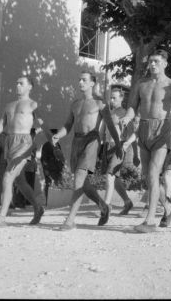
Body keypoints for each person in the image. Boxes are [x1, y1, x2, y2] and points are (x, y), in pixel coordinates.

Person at [124, 50, 171, 233]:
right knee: (149, 176)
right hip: (144, 129)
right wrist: (127, 118)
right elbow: (132, 107)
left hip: (163, 129)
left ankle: (150, 220)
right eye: (150, 61)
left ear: (164, 64)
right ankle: (169, 207)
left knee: (154, 174)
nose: (152, 64)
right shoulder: (141, 84)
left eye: (156, 61)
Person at [52, 71, 122, 231]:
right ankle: (103, 206)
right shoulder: (75, 104)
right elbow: (68, 125)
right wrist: (58, 135)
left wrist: (118, 144)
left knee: (79, 179)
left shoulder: (100, 103)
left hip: (92, 140)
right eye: (79, 79)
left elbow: (110, 124)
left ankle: (70, 220)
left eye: (84, 80)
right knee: (83, 183)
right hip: (77, 141)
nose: (80, 82)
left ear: (92, 83)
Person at [0, 75, 48, 227]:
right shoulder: (9, 105)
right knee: (20, 181)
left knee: (7, 177)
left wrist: (42, 144)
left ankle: (1, 218)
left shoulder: (33, 105)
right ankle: (38, 208)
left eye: (21, 83)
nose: (18, 86)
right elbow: (2, 124)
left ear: (29, 87)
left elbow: (42, 127)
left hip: (24, 143)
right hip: (10, 141)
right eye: (17, 83)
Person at [100, 88, 136, 218]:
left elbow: (133, 134)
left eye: (115, 98)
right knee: (115, 179)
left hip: (119, 147)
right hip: (107, 147)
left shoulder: (125, 114)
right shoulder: (108, 113)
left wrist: (128, 148)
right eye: (111, 97)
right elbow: (102, 131)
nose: (112, 100)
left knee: (110, 176)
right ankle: (127, 202)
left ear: (122, 99)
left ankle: (106, 206)